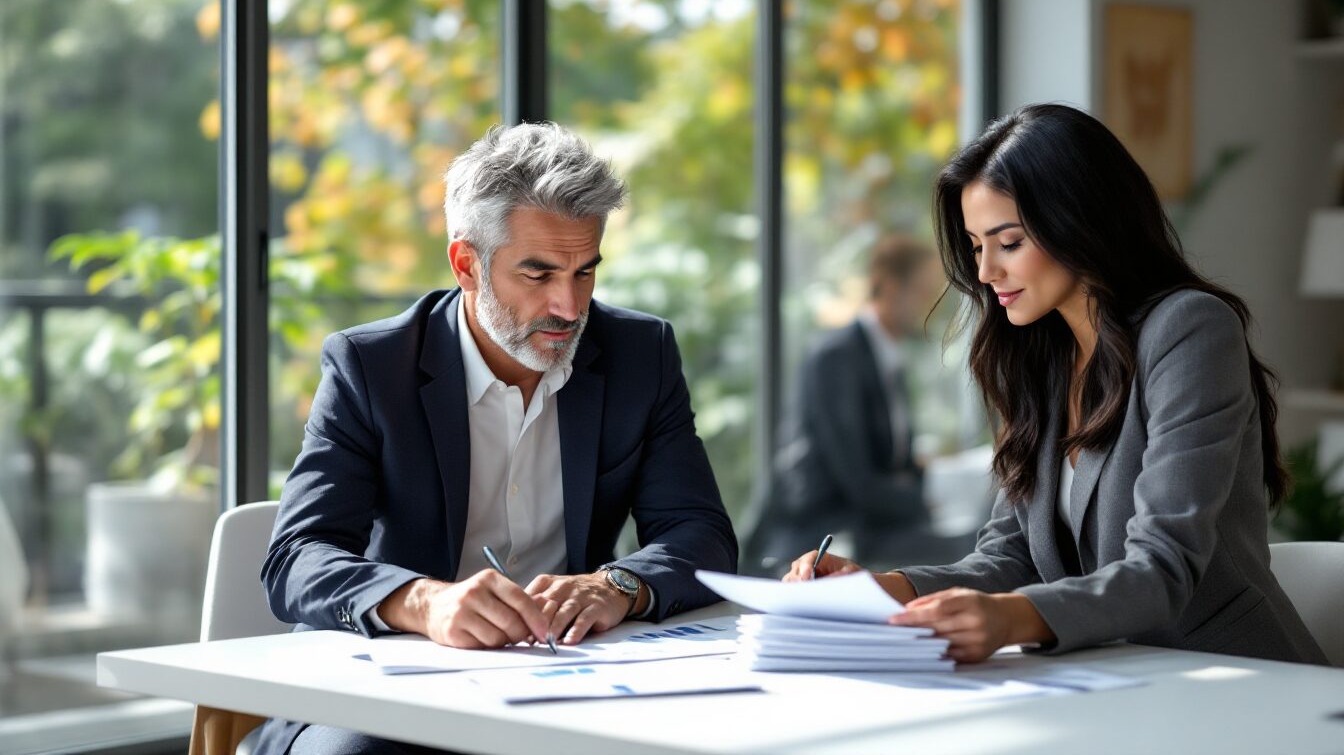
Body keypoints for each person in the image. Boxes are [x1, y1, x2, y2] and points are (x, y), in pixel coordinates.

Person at [785, 103, 1327, 667]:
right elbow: (1008, 557)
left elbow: (1164, 567)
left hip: (1237, 679)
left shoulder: (1189, 328)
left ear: (1080, 221)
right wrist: (877, 589)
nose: (985, 271)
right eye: (975, 246)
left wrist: (1013, 618)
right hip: (1113, 681)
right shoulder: (1041, 358)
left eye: (1009, 242)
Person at [256, 122, 738, 754]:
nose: (569, 307)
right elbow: (296, 557)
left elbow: (700, 534)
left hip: (575, 679)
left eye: (585, 272)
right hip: (392, 688)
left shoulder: (638, 355)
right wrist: (423, 601)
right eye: (538, 275)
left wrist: (616, 585)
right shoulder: (372, 368)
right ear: (467, 265)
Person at [744, 235, 959, 572]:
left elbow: (893, 462)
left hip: (872, 526)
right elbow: (856, 479)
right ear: (889, 287)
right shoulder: (837, 357)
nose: (931, 304)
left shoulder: (890, 361)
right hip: (823, 533)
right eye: (923, 291)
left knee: (977, 543)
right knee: (970, 549)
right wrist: (925, 501)